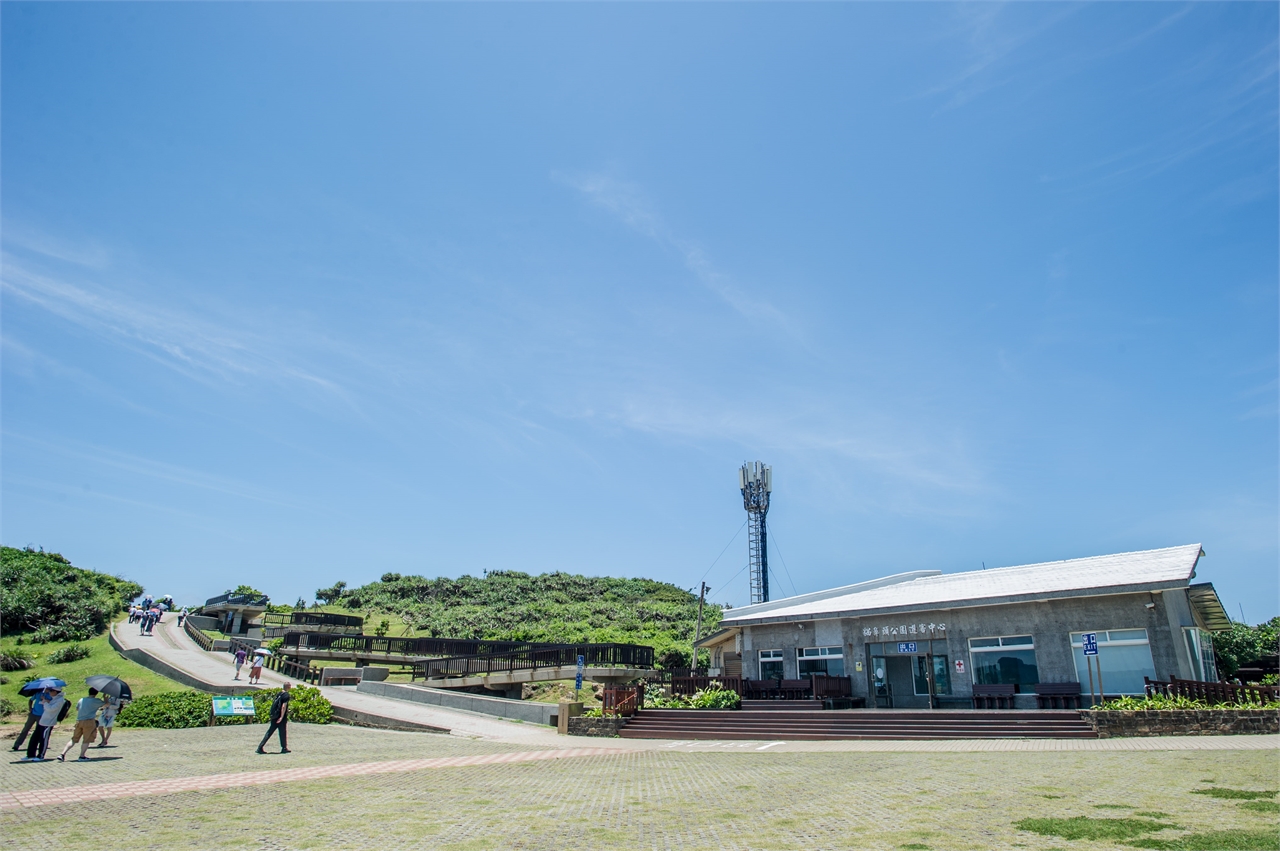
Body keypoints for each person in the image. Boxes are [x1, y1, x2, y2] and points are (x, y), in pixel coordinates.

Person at [58, 688, 104, 762]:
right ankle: (81, 756)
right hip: (89, 722)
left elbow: (77, 708)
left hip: (79, 721)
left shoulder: (82, 699)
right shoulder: (96, 701)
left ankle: (62, 754)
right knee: (86, 740)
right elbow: (106, 705)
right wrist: (105, 698)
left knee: (74, 739)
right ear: (96, 693)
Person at [23, 687, 66, 762]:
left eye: (51, 691)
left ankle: (41, 755)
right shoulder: (54, 698)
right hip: (42, 721)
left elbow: (52, 709)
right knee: (34, 738)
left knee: (44, 739)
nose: (49, 692)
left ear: (56, 692)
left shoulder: (60, 700)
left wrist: (45, 702)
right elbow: (49, 705)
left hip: (48, 723)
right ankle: (30, 754)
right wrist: (45, 700)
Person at [256, 682, 291, 755]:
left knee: (270, 732)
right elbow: (283, 706)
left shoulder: (279, 693)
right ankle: (284, 748)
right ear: (288, 687)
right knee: (283, 732)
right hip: (280, 717)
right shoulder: (286, 695)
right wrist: (281, 717)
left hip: (274, 716)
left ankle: (260, 747)